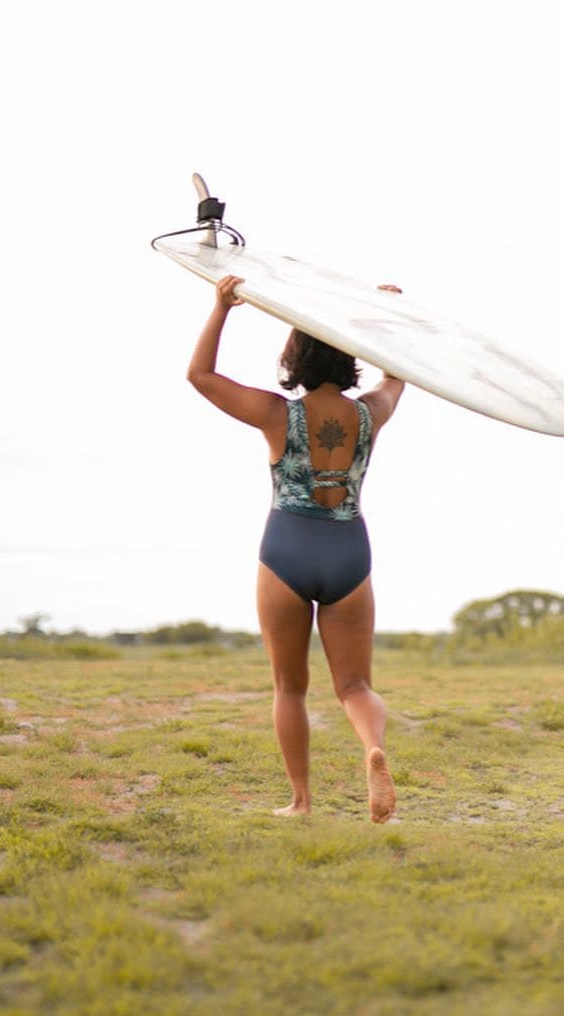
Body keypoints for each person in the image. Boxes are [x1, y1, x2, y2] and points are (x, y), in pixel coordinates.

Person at [187, 274, 405, 823]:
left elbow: (201, 376)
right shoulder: (370, 413)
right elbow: (399, 375)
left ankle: (301, 801)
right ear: (349, 360)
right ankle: (371, 748)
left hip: (288, 546)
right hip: (349, 550)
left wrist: (222, 308)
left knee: (290, 687)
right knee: (355, 684)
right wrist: (384, 320)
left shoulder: (277, 414)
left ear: (295, 358)